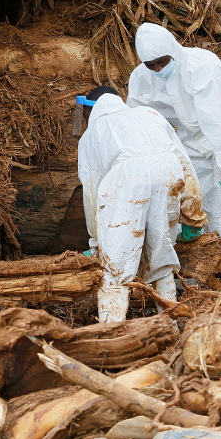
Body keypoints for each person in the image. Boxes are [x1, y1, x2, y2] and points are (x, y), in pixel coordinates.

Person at [78, 86, 207, 323]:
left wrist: (96, 241)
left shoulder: (93, 131)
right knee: (162, 253)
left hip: (128, 179)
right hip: (168, 173)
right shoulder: (149, 114)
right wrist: (193, 213)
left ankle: (111, 333)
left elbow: (92, 190)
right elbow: (184, 162)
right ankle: (170, 325)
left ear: (89, 110)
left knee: (115, 267)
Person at [127, 22, 221, 252]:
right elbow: (138, 121)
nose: (157, 69)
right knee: (193, 195)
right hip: (189, 138)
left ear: (172, 51)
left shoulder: (200, 67)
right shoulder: (141, 79)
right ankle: (202, 264)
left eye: (162, 62)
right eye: (151, 65)